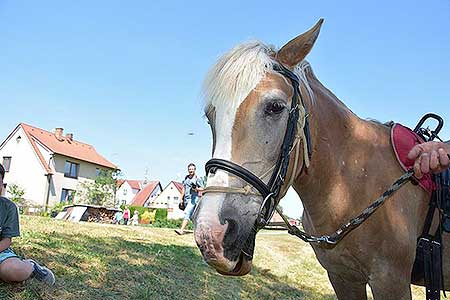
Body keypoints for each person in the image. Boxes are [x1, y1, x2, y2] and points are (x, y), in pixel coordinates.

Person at [0, 163, 55, 285]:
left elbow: (6, 240)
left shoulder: (8, 207)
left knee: (13, 270)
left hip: (1, 251)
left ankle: (32, 267)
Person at [175, 163, 204, 235]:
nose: (191, 170)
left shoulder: (197, 178)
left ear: (195, 170)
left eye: (192, 169)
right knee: (192, 216)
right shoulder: (186, 178)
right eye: (189, 169)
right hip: (186, 199)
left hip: (193, 199)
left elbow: (202, 188)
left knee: (187, 213)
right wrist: (181, 198)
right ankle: (201, 230)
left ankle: (181, 230)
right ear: (188, 170)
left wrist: (196, 189)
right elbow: (183, 189)